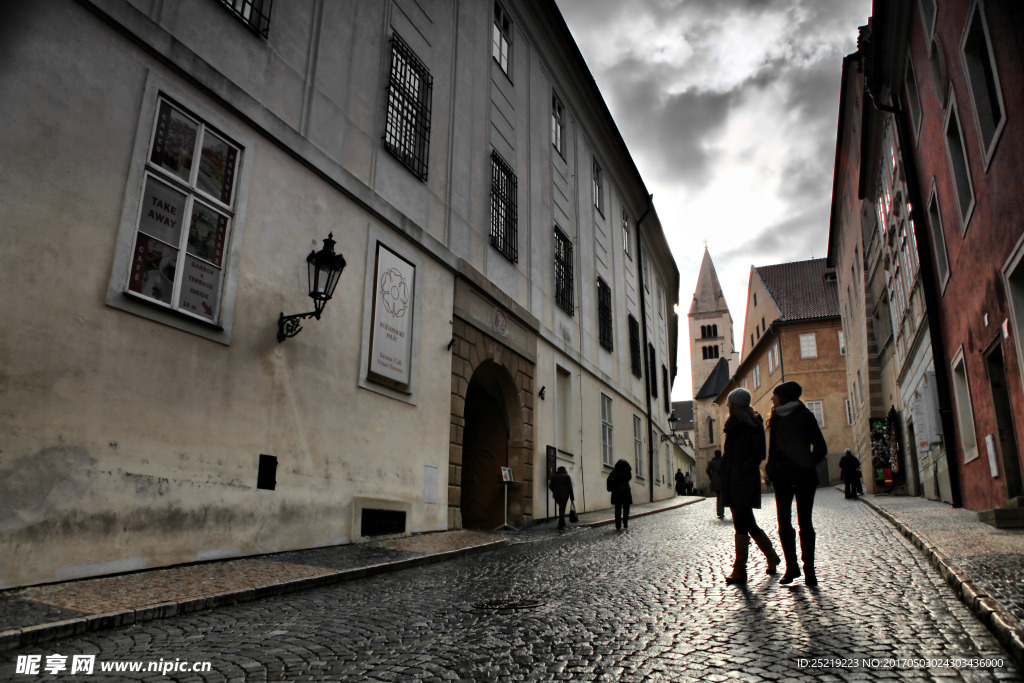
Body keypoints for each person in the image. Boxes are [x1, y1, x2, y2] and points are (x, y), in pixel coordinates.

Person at [765, 381, 828, 587]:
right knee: (784, 524)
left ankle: (809, 569)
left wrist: (807, 463)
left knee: (805, 524)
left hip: (803, 478)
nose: (772, 398)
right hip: (781, 478)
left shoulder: (805, 416)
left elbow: (821, 447)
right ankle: (792, 567)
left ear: (785, 396)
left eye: (775, 395)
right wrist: (771, 469)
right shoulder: (775, 418)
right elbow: (773, 450)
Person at [720, 388, 780, 584]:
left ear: (735, 404)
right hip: (733, 478)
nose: (727, 405)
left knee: (741, 522)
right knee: (747, 522)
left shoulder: (751, 424)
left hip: (743, 479)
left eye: (729, 402)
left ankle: (740, 569)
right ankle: (771, 556)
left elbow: (758, 454)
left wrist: (740, 470)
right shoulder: (733, 425)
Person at [607, 459, 633, 531]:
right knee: (626, 508)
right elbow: (629, 477)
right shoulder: (627, 471)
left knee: (618, 509)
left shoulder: (615, 472)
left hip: (617, 492)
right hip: (626, 491)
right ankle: (625, 523)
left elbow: (609, 481)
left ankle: (618, 525)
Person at [548, 466, 575, 530]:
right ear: (564, 470)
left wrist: (554, 491)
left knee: (561, 508)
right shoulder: (567, 476)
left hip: (556, 496)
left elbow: (550, 486)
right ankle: (560, 525)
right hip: (564, 496)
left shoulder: (554, 476)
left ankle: (563, 522)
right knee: (562, 509)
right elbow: (570, 488)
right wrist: (572, 497)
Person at [706, 450, 725, 519]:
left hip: (715, 480)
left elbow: (707, 470)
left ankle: (719, 512)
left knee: (719, 496)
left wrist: (711, 476)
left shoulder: (712, 462)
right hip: (723, 479)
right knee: (722, 496)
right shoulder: (723, 461)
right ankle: (721, 512)